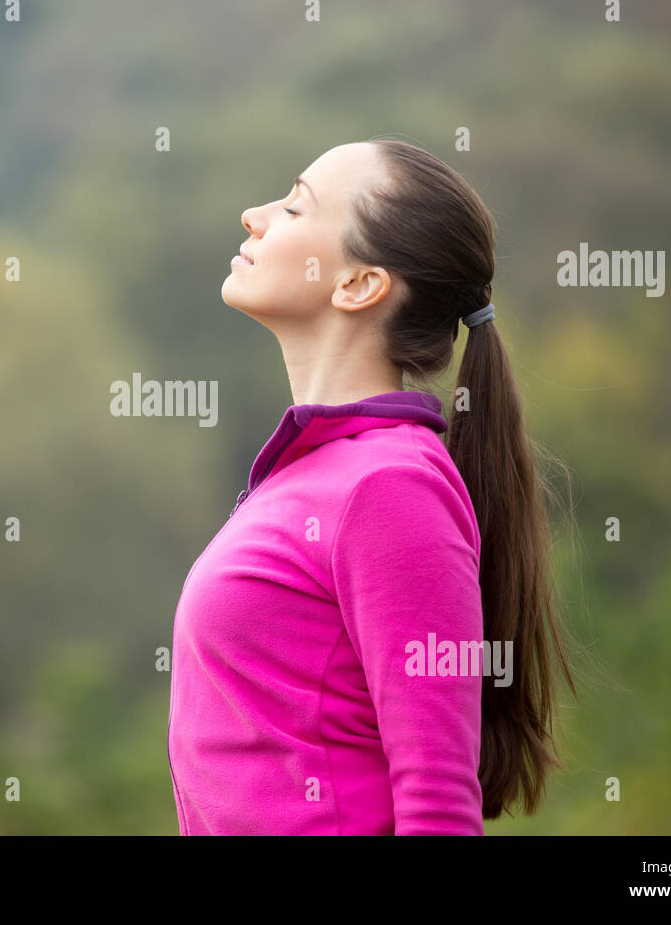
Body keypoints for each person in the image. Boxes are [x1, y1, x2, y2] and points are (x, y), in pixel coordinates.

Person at [167, 138, 576, 835]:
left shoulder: (389, 487)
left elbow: (438, 803)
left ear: (358, 284)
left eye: (295, 207)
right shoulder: (309, 473)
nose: (252, 216)